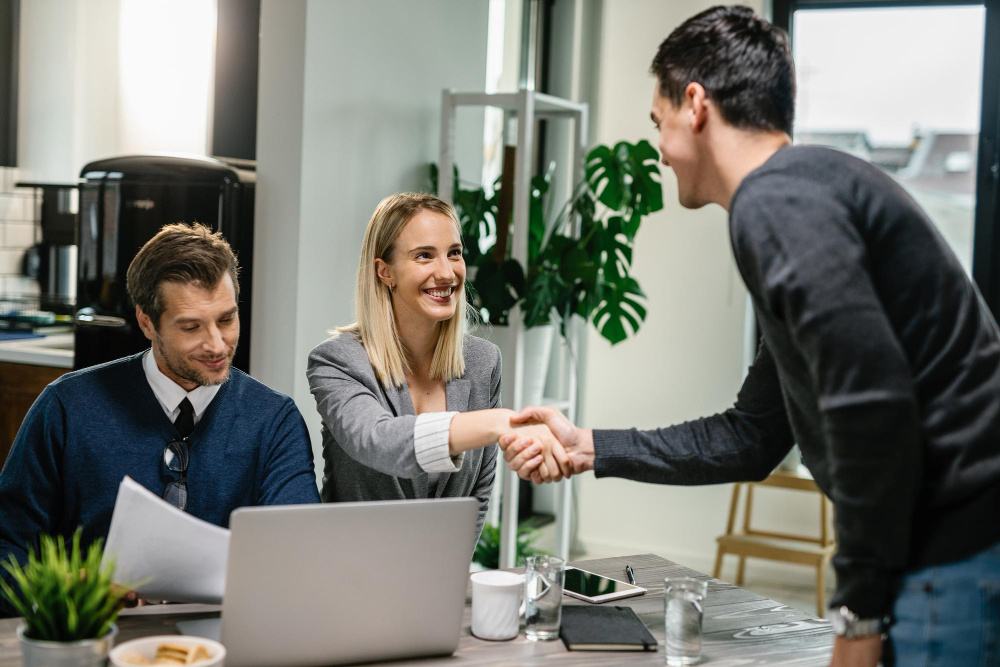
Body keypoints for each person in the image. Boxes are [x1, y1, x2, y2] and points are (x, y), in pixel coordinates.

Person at [500, 6, 1000, 666]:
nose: (659, 148)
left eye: (659, 122)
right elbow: (753, 435)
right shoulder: (811, 193)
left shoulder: (775, 203)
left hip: (956, 554)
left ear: (696, 104)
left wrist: (858, 613)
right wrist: (586, 444)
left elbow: (870, 406)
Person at [0, 223, 320, 615]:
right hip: (91, 636)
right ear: (147, 322)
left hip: (226, 643)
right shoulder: (66, 406)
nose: (217, 345)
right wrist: (70, 587)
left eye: (226, 320)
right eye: (191, 327)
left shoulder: (275, 420)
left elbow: (297, 557)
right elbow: (7, 551)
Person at [307, 193, 564, 544]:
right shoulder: (337, 361)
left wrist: (449, 576)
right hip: (348, 581)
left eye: (454, 253)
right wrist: (501, 421)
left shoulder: (483, 361)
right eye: (424, 255)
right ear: (385, 271)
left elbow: (477, 495)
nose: (447, 273)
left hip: (441, 582)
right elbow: (378, 441)